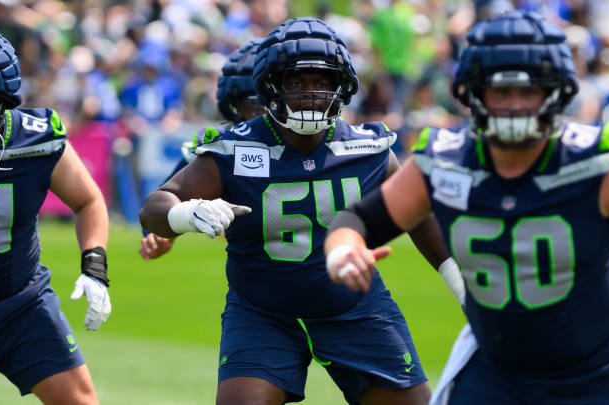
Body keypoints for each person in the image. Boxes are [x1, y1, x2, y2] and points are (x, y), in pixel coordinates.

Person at [324, 11, 609, 405]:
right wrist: (343, 250)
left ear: (557, 92)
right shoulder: (444, 165)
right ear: (473, 93)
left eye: (528, 91)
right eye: (501, 92)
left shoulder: (600, 166)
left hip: (608, 367)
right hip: (498, 372)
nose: (515, 105)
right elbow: (358, 220)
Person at [140, 17, 462, 405]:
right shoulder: (235, 150)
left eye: (322, 82)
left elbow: (420, 214)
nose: (311, 94)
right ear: (271, 87)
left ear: (341, 87)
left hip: (355, 308)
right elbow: (155, 206)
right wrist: (186, 214)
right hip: (262, 313)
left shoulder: (368, 149)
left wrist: (462, 285)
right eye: (297, 82)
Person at [0, 21, 111, 404]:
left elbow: (88, 200)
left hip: (20, 301)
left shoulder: (35, 139)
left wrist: (95, 264)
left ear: (0, 101)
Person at [138, 38, 264, 261]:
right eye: (251, 107)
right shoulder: (221, 145)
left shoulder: (333, 145)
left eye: (265, 107)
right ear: (235, 105)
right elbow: (163, 199)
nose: (259, 116)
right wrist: (162, 232)